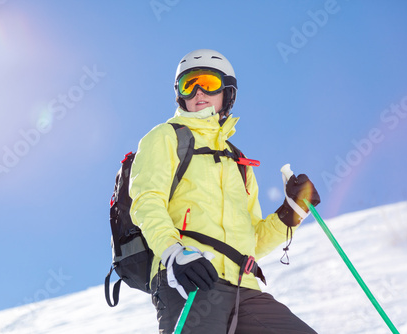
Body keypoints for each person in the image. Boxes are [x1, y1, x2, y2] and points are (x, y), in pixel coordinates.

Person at [129, 49, 321, 334]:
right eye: (188, 85)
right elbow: (146, 202)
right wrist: (174, 253)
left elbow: (252, 241)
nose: (198, 92)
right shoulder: (165, 137)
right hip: (191, 278)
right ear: (179, 94)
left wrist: (290, 213)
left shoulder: (239, 162)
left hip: (246, 287)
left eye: (208, 82)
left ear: (227, 93)